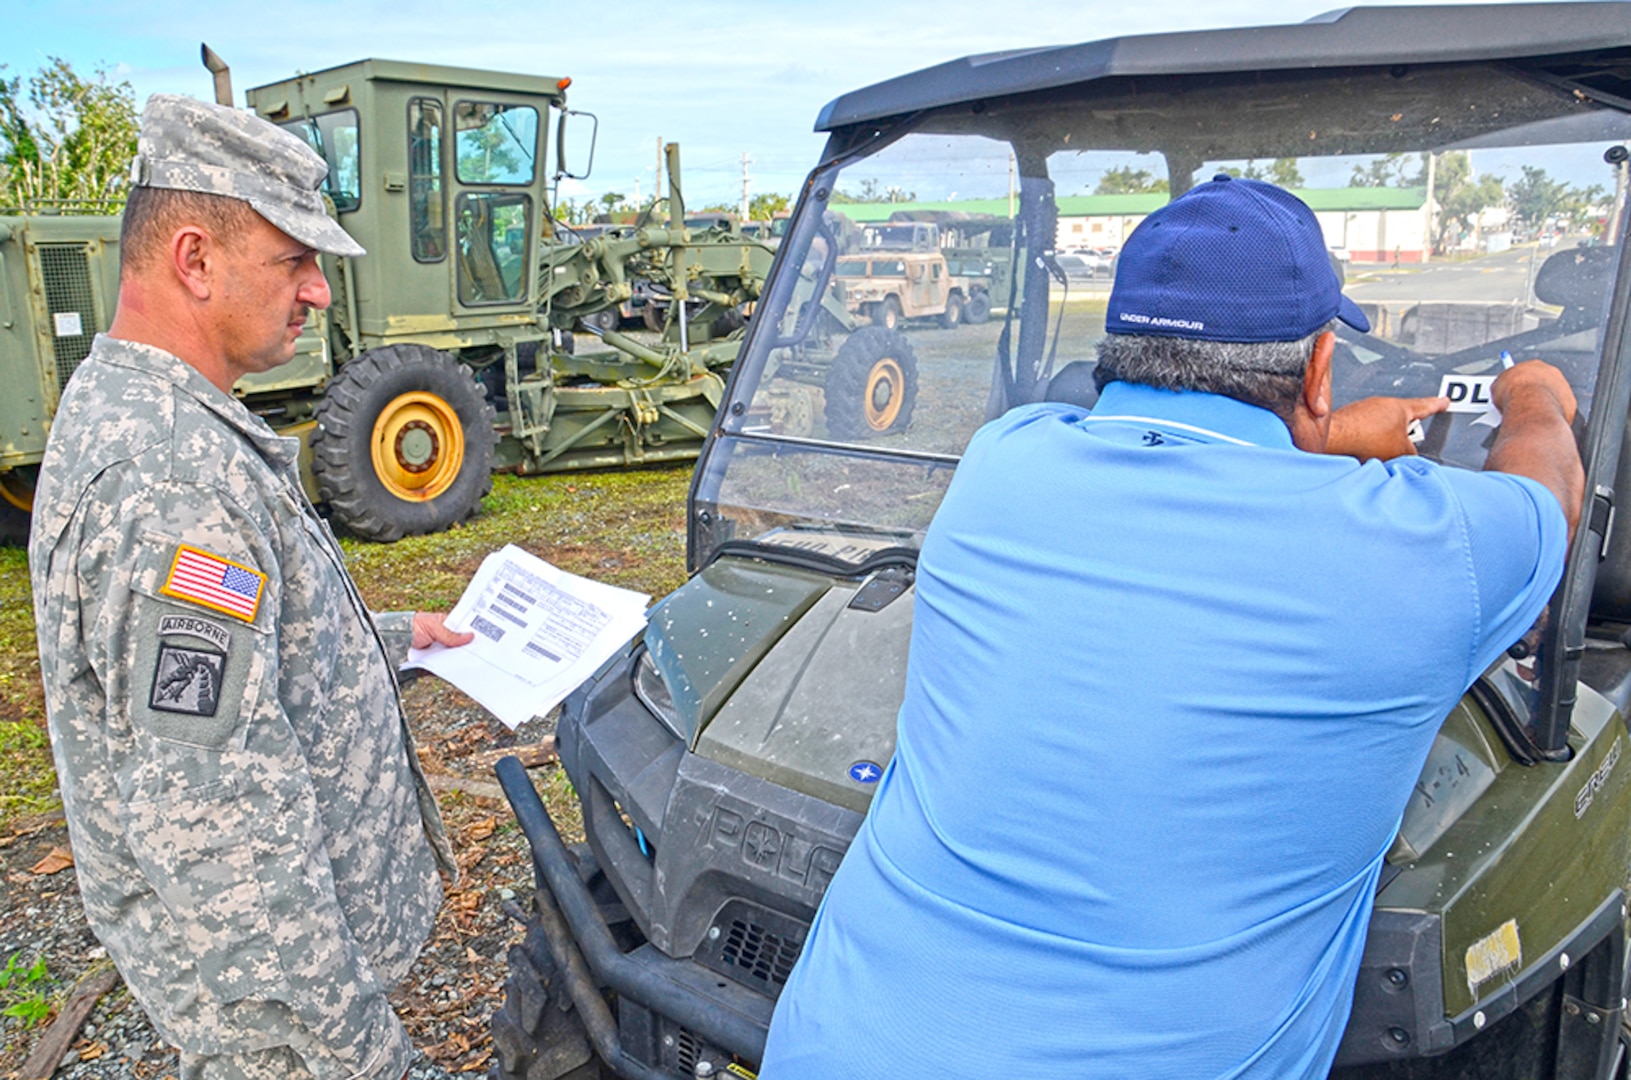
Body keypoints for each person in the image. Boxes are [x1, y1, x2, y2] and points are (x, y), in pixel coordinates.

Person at [759, 175, 1582, 1078]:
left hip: (833, 1045)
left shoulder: (1005, 459)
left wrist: (1314, 431)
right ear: (1317, 365)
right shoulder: (1428, 545)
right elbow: (1546, 493)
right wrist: (1535, 394)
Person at [29, 94, 476, 1080]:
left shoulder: (152, 417)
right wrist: (361, 1059)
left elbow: (240, 652)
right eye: (294, 260)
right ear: (195, 259)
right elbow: (223, 834)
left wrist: (397, 637)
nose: (317, 290)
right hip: (277, 1025)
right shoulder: (170, 486)